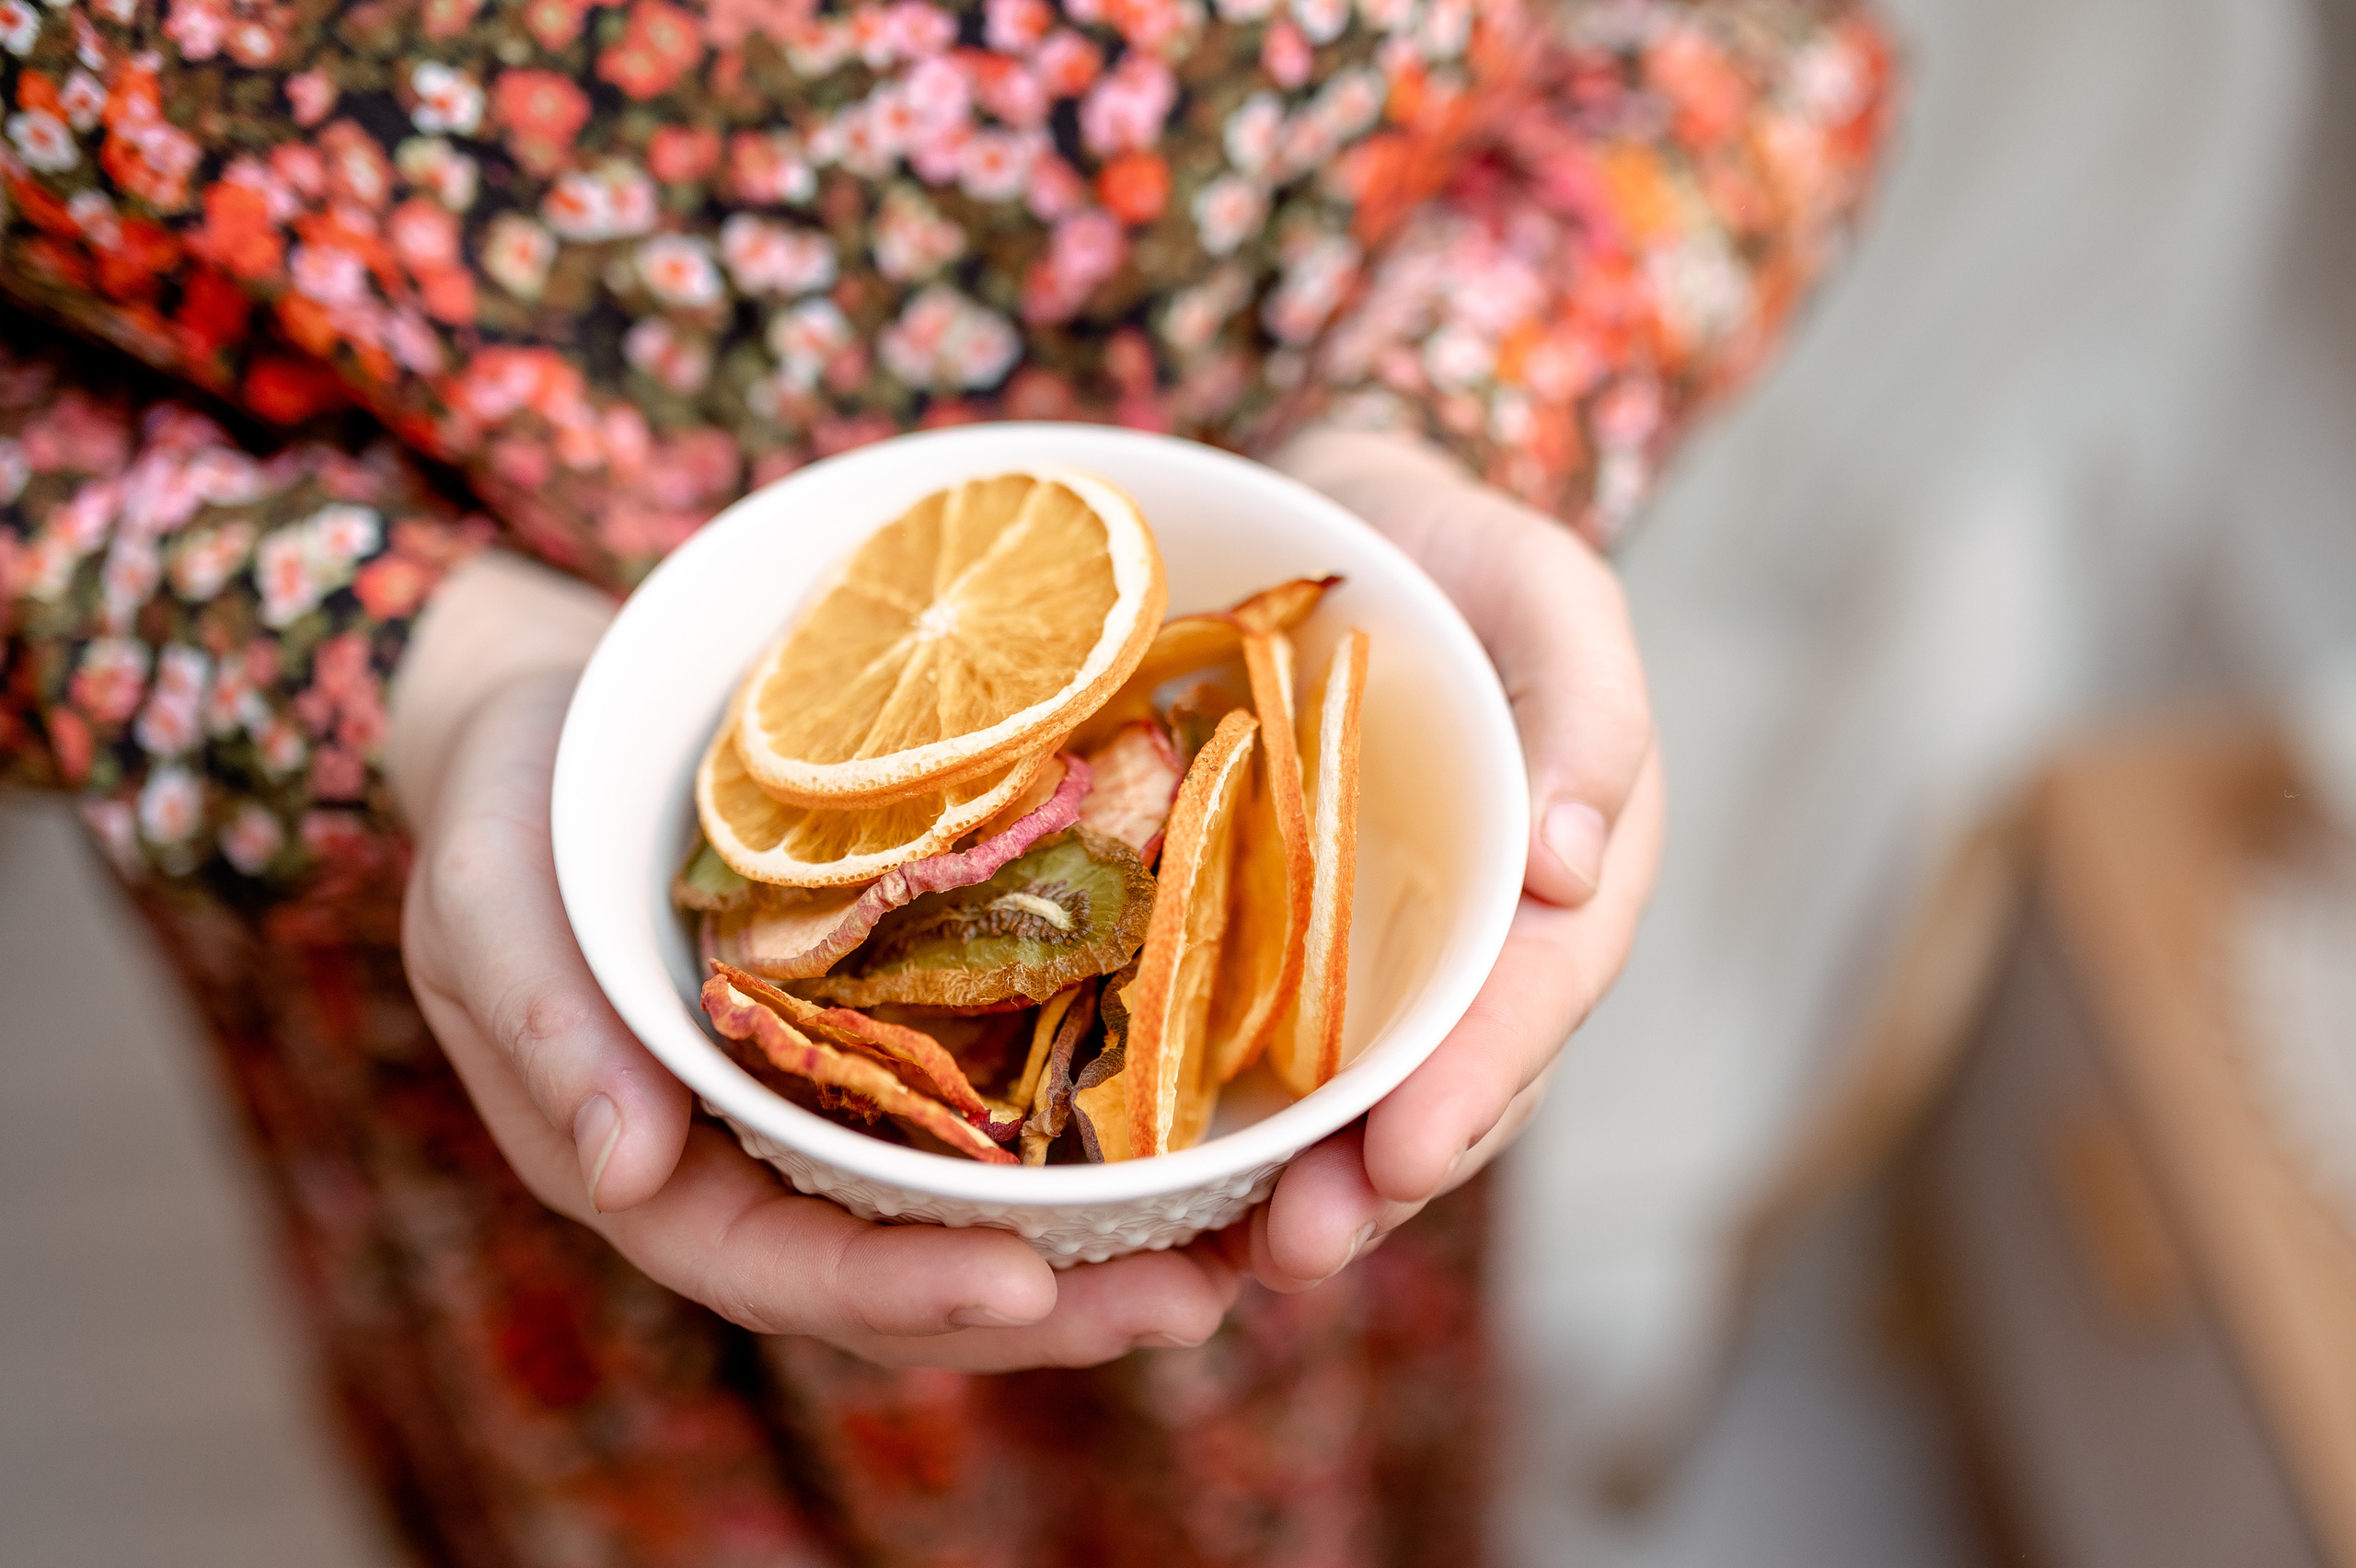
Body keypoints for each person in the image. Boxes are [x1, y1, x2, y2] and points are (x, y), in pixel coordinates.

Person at [0, 0, 1888, 1560]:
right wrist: (413, 664)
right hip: (493, 1004)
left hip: (1296, 1009)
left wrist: (1449, 417)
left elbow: (1748, 39)